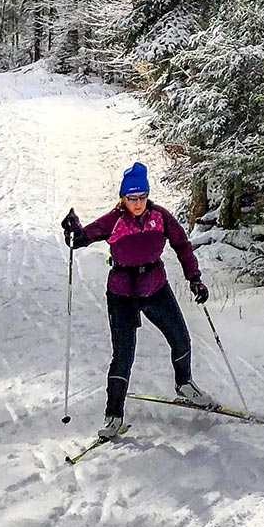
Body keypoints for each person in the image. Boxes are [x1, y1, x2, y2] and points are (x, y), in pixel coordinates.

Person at [61, 162, 212, 438]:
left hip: (155, 287)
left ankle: (184, 384)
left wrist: (195, 278)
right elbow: (82, 238)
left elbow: (182, 245)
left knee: (180, 337)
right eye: (132, 198)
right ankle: (113, 416)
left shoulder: (160, 217)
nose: (138, 203)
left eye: (142, 197)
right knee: (123, 355)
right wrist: (73, 230)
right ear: (123, 198)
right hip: (121, 294)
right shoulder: (114, 220)